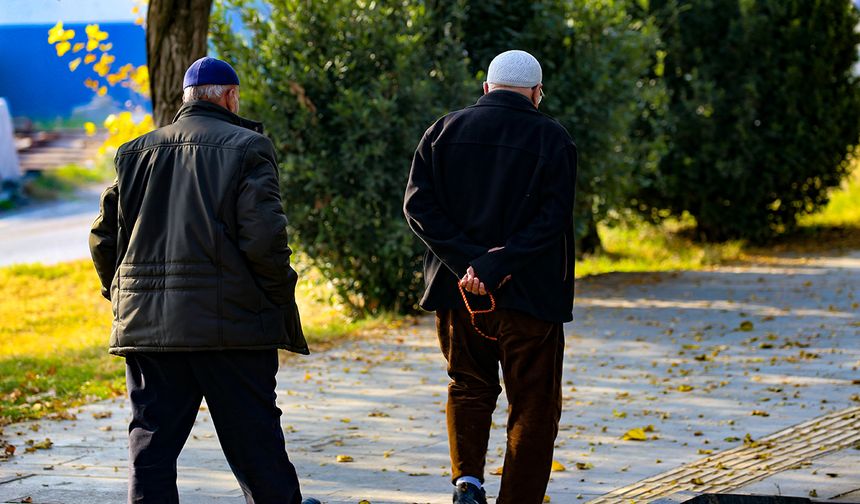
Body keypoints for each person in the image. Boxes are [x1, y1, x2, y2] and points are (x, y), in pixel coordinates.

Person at [90, 56, 320, 504]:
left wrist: (121, 294)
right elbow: (264, 239)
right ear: (231, 97)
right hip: (232, 329)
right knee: (255, 444)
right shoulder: (249, 147)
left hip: (150, 329)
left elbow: (103, 238)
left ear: (187, 99)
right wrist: (275, 297)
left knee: (151, 448)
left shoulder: (134, 152)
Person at [403, 49, 578, 504]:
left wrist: (469, 264)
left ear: (486, 88)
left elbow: (417, 207)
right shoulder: (553, 139)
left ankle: (468, 485)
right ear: (537, 93)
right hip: (530, 298)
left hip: (457, 294)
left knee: (468, 385)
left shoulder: (442, 131)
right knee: (534, 402)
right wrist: (497, 264)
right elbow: (554, 216)